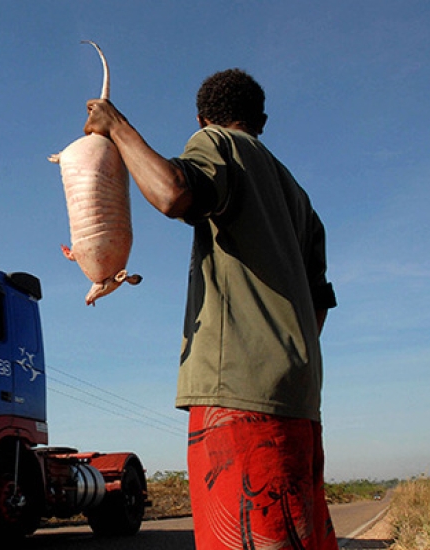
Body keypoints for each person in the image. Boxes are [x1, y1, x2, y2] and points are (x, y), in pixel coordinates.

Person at [84, 68, 338, 549]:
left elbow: (173, 193)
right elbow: (318, 306)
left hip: (237, 399)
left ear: (202, 117)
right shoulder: (300, 200)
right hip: (299, 402)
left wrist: (117, 127)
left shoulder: (217, 142)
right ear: (261, 120)